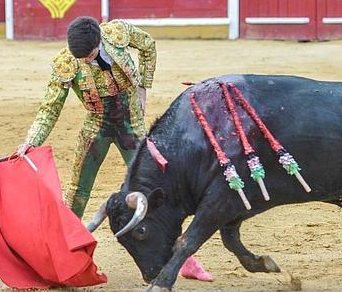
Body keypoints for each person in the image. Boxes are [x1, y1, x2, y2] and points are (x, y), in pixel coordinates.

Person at [17, 17, 212, 282]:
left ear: (99, 40)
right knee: (77, 192)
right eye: (80, 58)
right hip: (96, 127)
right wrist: (32, 139)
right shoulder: (66, 63)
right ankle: (61, 255)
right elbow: (50, 108)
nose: (85, 61)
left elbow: (148, 46)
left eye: (89, 56)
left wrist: (144, 86)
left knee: (156, 194)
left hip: (132, 127)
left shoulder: (118, 33)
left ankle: (184, 258)